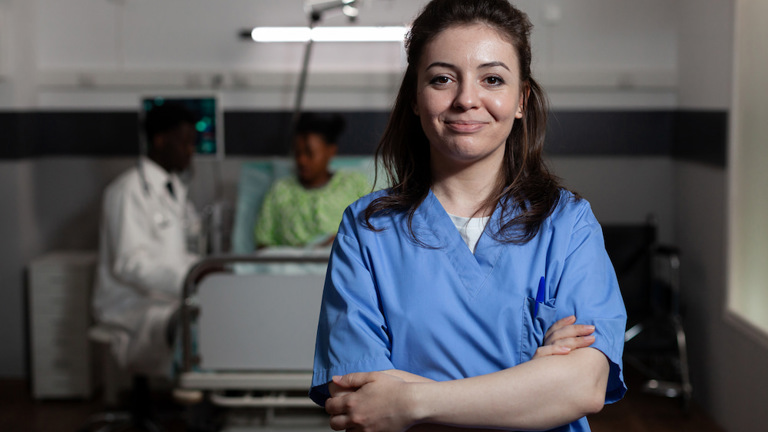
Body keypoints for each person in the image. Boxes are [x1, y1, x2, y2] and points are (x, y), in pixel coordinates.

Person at [310, 0, 627, 431]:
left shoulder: (566, 224)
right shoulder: (368, 229)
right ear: (415, 99)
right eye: (442, 79)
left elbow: (584, 386)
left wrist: (410, 401)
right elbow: (360, 400)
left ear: (520, 100)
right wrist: (533, 381)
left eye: (492, 79)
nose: (466, 99)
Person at [92, 102, 202, 376]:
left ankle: (211, 400)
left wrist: (204, 268)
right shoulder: (127, 191)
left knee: (213, 311)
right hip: (130, 307)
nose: (191, 150)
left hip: (167, 296)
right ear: (160, 139)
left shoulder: (174, 188)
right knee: (194, 325)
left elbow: (177, 253)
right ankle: (199, 406)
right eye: (184, 141)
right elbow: (130, 264)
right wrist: (190, 280)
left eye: (193, 142)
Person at [254, 112, 370, 248]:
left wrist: (339, 242)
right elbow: (262, 245)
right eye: (298, 153)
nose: (302, 160)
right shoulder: (280, 190)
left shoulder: (354, 184)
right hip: (288, 267)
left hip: (339, 261)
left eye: (309, 153)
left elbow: (372, 233)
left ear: (331, 151)